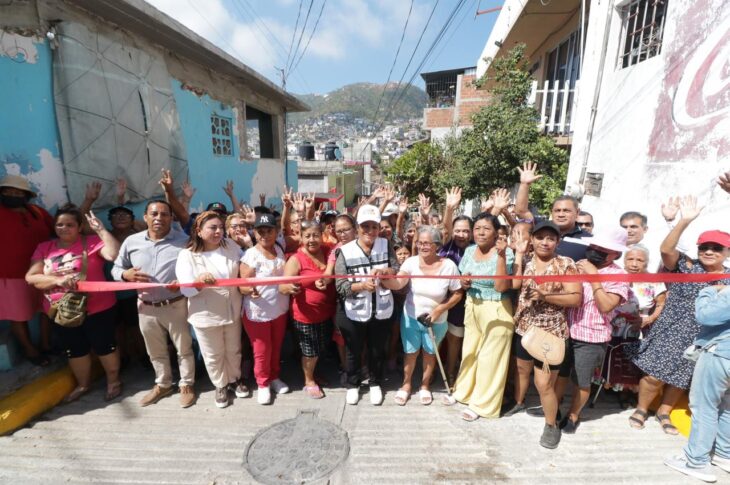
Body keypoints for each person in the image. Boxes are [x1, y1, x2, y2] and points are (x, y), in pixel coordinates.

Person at [631, 196, 730, 434]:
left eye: (716, 248)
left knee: (682, 378)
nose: (709, 251)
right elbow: (666, 250)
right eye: (704, 247)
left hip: (703, 338)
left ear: (727, 252)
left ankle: (664, 412)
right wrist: (683, 221)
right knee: (654, 375)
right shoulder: (687, 266)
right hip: (670, 330)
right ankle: (641, 409)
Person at [26, 204, 121, 402]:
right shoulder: (44, 248)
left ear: (79, 227)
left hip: (97, 308)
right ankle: (83, 385)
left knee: (104, 346)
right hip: (62, 312)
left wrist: (101, 230)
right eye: (59, 225)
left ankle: (113, 382)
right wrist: (57, 280)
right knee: (75, 350)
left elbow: (113, 255)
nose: (64, 228)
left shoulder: (92, 242)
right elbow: (31, 277)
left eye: (70, 225)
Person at [112, 200, 197, 408]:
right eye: (154, 214)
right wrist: (125, 274)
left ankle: (186, 384)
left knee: (184, 348)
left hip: (176, 304)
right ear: (145, 217)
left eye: (164, 214)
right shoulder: (132, 242)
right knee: (155, 350)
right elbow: (116, 268)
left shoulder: (184, 241)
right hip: (146, 307)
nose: (159, 218)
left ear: (171, 218)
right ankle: (163, 384)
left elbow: (196, 266)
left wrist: (184, 281)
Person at [506, 221, 581, 449]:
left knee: (543, 383)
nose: (545, 242)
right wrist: (519, 255)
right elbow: (515, 285)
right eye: (540, 237)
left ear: (557, 242)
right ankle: (519, 402)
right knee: (521, 369)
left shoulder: (566, 264)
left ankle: (551, 424)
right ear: (532, 240)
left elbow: (575, 298)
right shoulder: (526, 260)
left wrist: (545, 296)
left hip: (551, 332)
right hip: (524, 326)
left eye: (550, 238)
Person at [559, 227, 630, 433]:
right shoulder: (580, 265)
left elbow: (606, 305)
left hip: (591, 336)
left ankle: (573, 415)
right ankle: (554, 408)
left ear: (615, 254)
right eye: (594, 246)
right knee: (561, 375)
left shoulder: (619, 275)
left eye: (602, 250)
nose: (595, 251)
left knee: (581, 381)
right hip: (565, 330)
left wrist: (594, 277)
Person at [446, 213, 514, 421]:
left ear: (496, 232)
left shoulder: (506, 252)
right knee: (470, 352)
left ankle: (483, 405)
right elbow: (463, 279)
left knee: (490, 358)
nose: (481, 232)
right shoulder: (469, 250)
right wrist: (465, 282)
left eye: (486, 228)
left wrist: (501, 256)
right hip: (472, 305)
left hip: (496, 308)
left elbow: (501, 286)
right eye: (477, 228)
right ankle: (464, 392)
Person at [176, 211, 246, 409]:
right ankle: (220, 384)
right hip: (205, 314)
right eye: (213, 228)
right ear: (198, 231)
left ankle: (234, 379)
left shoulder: (230, 245)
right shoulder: (187, 255)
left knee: (234, 349)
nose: (218, 232)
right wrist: (198, 283)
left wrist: (248, 243)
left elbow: (247, 264)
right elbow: (186, 290)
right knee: (213, 354)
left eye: (221, 227)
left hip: (233, 310)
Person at [389, 226, 463, 405]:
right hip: (411, 317)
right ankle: (406, 385)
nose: (422, 246)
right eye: (420, 243)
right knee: (410, 353)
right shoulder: (410, 262)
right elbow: (399, 283)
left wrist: (439, 310)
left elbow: (458, 293)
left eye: (427, 243)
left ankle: (424, 385)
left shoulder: (449, 266)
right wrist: (385, 278)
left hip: (437, 320)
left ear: (437, 245)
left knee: (430, 354)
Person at [664, 284, 730, 482]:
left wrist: (709, 291)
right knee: (727, 407)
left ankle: (696, 461)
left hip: (720, 354)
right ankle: (724, 454)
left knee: (704, 407)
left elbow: (705, 315)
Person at [334, 204, 399, 406]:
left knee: (377, 349)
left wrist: (385, 271)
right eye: (365, 226)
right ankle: (353, 384)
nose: (370, 231)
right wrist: (361, 286)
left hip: (381, 307)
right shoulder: (344, 251)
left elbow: (396, 268)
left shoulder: (385, 244)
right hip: (354, 310)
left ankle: (375, 383)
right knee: (353, 350)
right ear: (357, 227)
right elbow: (340, 285)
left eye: (374, 226)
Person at [0, 174, 54, 366]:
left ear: (26, 195)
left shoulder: (37, 212)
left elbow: (57, 228)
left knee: (47, 309)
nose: (12, 195)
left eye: (17, 192)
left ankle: (46, 344)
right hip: (10, 274)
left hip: (43, 272)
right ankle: (30, 350)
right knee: (18, 315)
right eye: (8, 191)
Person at [279, 220, 336, 399]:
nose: (312, 239)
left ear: (322, 236)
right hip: (305, 315)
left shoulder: (327, 251)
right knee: (310, 351)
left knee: (319, 349)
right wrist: (291, 288)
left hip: (326, 312)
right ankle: (309, 381)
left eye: (316, 235)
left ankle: (313, 375)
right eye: (307, 236)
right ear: (301, 238)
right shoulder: (296, 259)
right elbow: (282, 286)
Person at [239, 212, 290, 405]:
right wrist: (249, 290)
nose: (265, 235)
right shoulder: (250, 255)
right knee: (262, 350)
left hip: (279, 309)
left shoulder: (279, 247)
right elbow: (242, 286)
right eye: (261, 231)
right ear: (255, 233)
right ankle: (262, 383)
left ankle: (274, 377)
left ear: (275, 232)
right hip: (258, 312)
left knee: (276, 346)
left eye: (269, 231)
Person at [440, 187, 474, 385]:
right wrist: (449, 208)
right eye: (458, 230)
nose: (461, 234)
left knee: (456, 339)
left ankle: (452, 373)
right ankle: (436, 370)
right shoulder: (447, 245)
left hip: (464, 303)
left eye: (465, 231)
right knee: (440, 339)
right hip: (441, 299)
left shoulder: (476, 248)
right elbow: (445, 228)